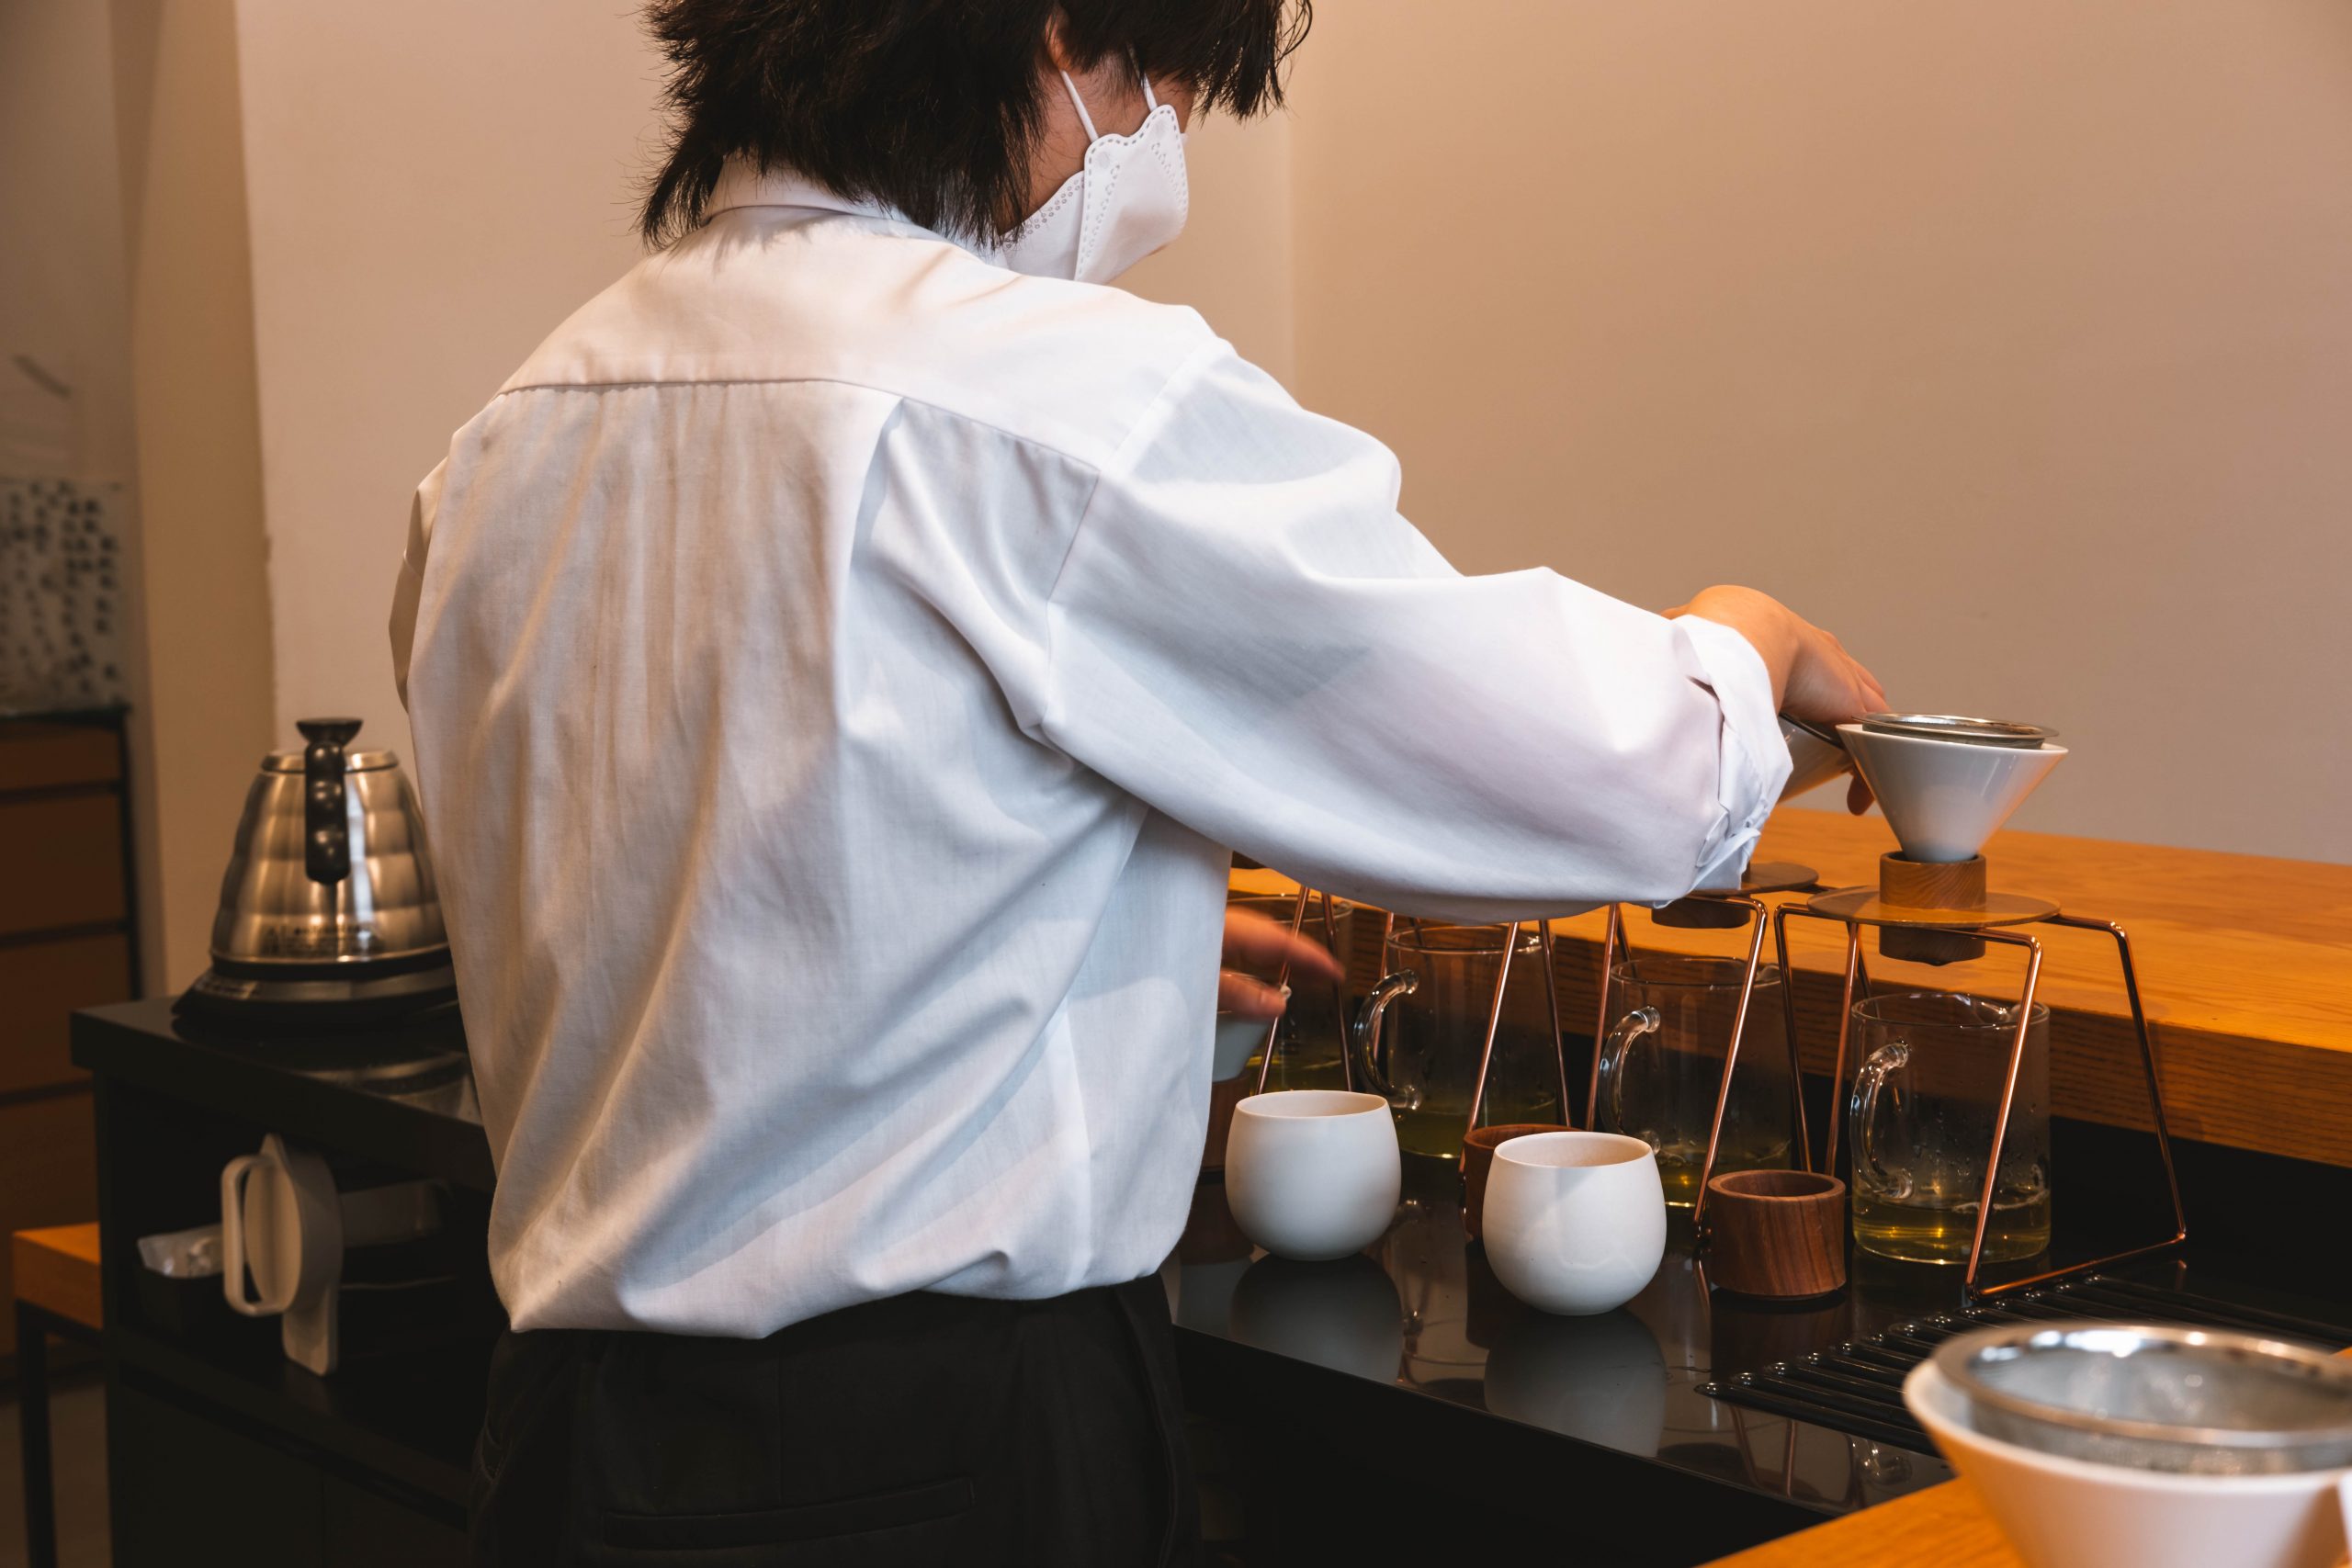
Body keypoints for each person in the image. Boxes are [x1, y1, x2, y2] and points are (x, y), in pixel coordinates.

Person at [388, 1, 1885, 1562]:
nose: (1170, 140)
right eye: (1169, 84)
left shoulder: (508, 439)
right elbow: (1607, 772)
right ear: (1058, 38)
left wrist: (1077, 939)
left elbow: (697, 883)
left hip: (563, 1445)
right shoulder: (1043, 396)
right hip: (933, 1459)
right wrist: (1740, 643)